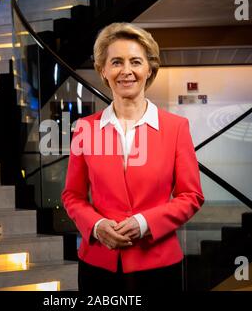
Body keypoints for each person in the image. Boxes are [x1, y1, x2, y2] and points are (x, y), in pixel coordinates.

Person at [61, 22, 204, 292]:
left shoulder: (176, 127)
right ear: (103, 70)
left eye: (135, 62)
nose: (126, 71)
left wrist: (144, 223)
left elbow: (191, 196)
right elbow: (72, 196)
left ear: (149, 68)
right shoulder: (85, 129)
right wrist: (96, 225)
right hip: (98, 265)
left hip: (159, 266)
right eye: (116, 62)